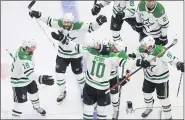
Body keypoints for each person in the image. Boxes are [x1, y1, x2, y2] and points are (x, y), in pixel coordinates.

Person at [29, 10, 107, 103]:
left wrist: (99, 22)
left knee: (80, 76)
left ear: (72, 21)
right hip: (62, 55)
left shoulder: (79, 25)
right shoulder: (60, 23)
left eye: (68, 22)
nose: (66, 24)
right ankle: (62, 92)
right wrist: (39, 15)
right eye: (65, 22)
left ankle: (84, 92)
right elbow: (49, 21)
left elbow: (91, 27)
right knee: (59, 76)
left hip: (76, 56)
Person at [59, 35, 128, 119]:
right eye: (112, 46)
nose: (113, 48)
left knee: (114, 96)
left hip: (109, 78)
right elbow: (128, 64)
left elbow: (78, 46)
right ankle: (99, 105)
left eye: (115, 48)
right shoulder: (113, 56)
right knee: (103, 106)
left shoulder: (95, 51)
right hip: (103, 82)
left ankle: (115, 110)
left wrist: (64, 40)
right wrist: (127, 77)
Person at [120, 36, 184, 119]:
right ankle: (149, 108)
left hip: (161, 80)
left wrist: (179, 64)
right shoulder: (141, 49)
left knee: (164, 101)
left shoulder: (161, 51)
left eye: (144, 46)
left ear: (150, 46)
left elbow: (172, 60)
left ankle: (169, 117)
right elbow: (135, 59)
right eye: (142, 46)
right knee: (146, 94)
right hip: (148, 78)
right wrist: (127, 75)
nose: (142, 47)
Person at [10, 39, 54, 119]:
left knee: (34, 93)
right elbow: (30, 74)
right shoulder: (23, 58)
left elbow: (29, 75)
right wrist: (41, 78)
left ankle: (36, 107)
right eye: (32, 47)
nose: (34, 48)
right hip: (19, 82)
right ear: (27, 48)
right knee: (20, 103)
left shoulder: (23, 49)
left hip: (28, 79)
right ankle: (15, 117)